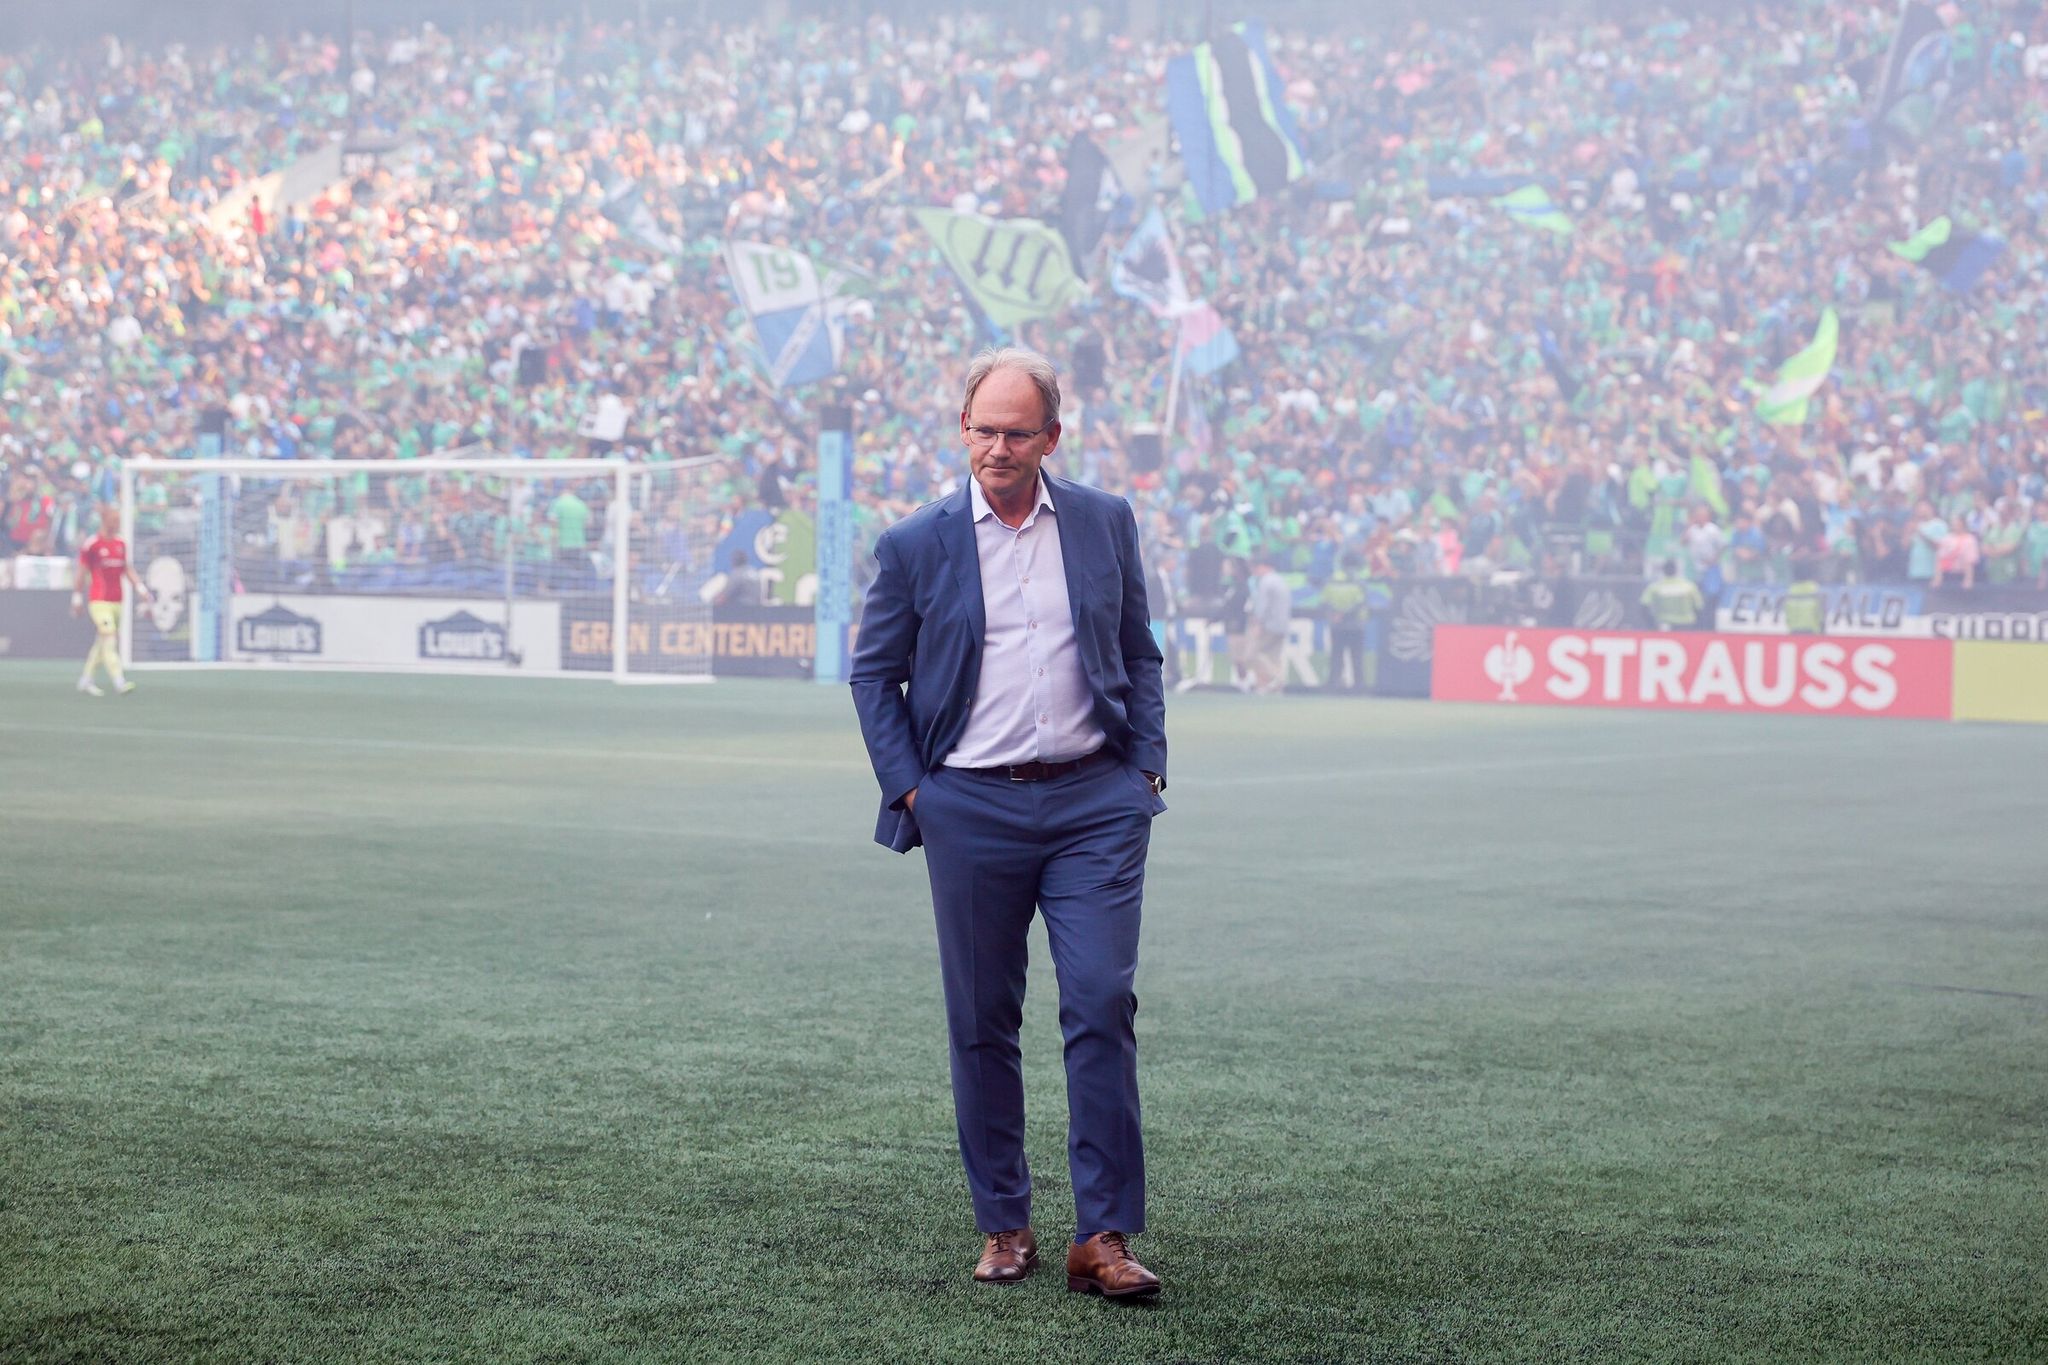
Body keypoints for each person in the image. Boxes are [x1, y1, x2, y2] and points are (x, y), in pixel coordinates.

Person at [849, 347, 1168, 1299]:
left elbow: (1139, 650)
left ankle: (1102, 1237)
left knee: (1101, 1000)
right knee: (982, 1019)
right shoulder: (916, 542)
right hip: (970, 804)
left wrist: (1145, 763)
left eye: (1015, 431)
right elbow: (874, 673)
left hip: (1094, 804)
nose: (996, 445)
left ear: (1051, 438)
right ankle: (1005, 1224)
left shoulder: (1106, 521)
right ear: (963, 430)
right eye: (982, 428)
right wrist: (916, 790)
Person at [71, 504, 152, 696]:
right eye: (114, 520)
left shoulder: (121, 544)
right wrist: (76, 597)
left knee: (102, 642)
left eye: (118, 520)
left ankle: (86, 679)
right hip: (99, 601)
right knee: (110, 637)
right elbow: (81, 572)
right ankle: (119, 681)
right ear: (105, 520)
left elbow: (127, 569)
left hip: (118, 602)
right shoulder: (92, 544)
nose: (117, 524)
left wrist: (141, 588)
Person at [1318, 552, 1369, 693]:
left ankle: (1332, 685)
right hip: (1356, 625)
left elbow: (1324, 602)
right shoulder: (1359, 582)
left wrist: (1335, 614)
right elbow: (1360, 604)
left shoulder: (1331, 580)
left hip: (1336, 625)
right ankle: (1358, 687)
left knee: (1336, 656)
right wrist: (1344, 615)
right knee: (1356, 658)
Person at [1246, 553, 1293, 694]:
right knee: (1273, 657)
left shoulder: (1266, 582)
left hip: (1269, 625)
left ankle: (1277, 679)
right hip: (1283, 624)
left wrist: (1257, 623)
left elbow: (1262, 605)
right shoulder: (1281, 580)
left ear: (1262, 567)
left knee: (1253, 654)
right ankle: (1270, 687)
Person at [1641, 559, 1704, 631]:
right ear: (1676, 570)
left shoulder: (1655, 587)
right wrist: (1697, 626)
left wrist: (1651, 625)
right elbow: (1699, 607)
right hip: (1686, 624)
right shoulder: (1689, 586)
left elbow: (1644, 606)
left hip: (1663, 624)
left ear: (1663, 570)